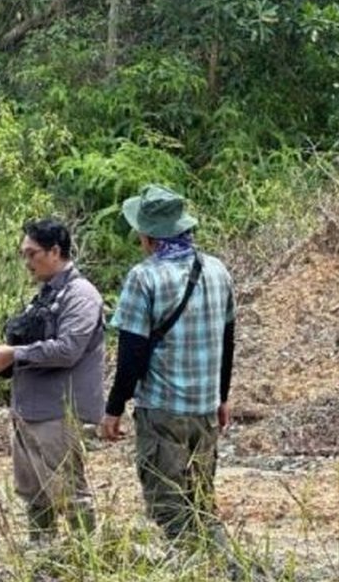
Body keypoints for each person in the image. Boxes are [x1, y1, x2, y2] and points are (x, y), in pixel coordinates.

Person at [101, 184, 237, 549]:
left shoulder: (143, 277)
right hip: (204, 410)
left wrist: (113, 409)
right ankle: (218, 565)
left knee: (170, 510)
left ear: (148, 238)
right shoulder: (217, 270)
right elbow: (228, 340)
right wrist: (222, 398)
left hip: (163, 412)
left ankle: (209, 570)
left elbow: (132, 356)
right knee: (201, 505)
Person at [0, 218, 104, 539]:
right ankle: (42, 560)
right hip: (28, 411)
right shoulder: (44, 295)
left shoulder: (81, 295)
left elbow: (68, 349)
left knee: (70, 494)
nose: (27, 262)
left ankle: (86, 564)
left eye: (32, 254)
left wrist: (15, 354)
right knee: (35, 495)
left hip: (59, 412)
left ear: (55, 252)